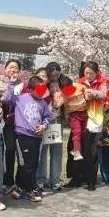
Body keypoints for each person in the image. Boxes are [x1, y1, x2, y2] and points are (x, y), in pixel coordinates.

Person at [2, 75, 53, 202]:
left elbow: (47, 117)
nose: (42, 93)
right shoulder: (20, 98)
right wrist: (11, 83)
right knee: (24, 164)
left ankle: (22, 187)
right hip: (22, 135)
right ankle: (27, 189)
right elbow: (7, 98)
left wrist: (44, 126)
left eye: (43, 90)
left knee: (33, 163)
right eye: (39, 90)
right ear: (30, 89)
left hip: (36, 137)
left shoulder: (43, 103)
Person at [79, 62, 109, 191]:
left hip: (96, 118)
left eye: (91, 73)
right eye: (86, 73)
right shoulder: (80, 81)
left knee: (92, 151)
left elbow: (104, 94)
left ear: (97, 72)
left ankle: (91, 180)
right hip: (82, 118)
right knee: (81, 149)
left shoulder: (103, 81)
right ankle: (80, 177)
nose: (88, 75)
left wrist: (92, 93)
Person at [36, 62, 65, 192]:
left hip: (56, 121)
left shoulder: (63, 83)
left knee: (56, 151)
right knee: (42, 151)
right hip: (43, 121)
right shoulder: (41, 86)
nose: (54, 78)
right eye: (52, 76)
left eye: (57, 75)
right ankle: (40, 179)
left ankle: (55, 180)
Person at [0, 59, 23, 193]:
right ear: (5, 68)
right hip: (1, 122)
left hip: (16, 123)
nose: (13, 70)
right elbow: (5, 99)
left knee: (12, 150)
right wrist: (11, 84)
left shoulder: (22, 86)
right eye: (11, 67)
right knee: (1, 151)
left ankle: (10, 181)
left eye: (16, 68)